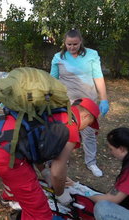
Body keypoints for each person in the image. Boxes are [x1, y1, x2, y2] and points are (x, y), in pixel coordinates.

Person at [0, 98, 100, 219]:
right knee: (39, 211)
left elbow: (36, 144)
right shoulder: (71, 128)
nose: (86, 128)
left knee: (14, 178)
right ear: (86, 116)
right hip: (6, 153)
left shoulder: (56, 111)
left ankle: (9, 197)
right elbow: (57, 171)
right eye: (89, 124)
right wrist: (60, 193)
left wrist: (44, 171)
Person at [50, 29, 109, 177]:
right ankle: (62, 158)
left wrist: (104, 98)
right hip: (67, 101)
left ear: (80, 42)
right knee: (66, 131)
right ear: (64, 43)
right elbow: (52, 80)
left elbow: (98, 77)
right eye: (69, 44)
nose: (72, 47)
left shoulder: (92, 55)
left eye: (75, 44)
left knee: (88, 133)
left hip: (87, 102)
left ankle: (91, 162)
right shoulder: (58, 58)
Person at [89, 127, 129, 219]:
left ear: (122, 149)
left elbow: (112, 198)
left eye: (111, 149)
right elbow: (117, 192)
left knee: (103, 208)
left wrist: (86, 196)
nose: (110, 152)